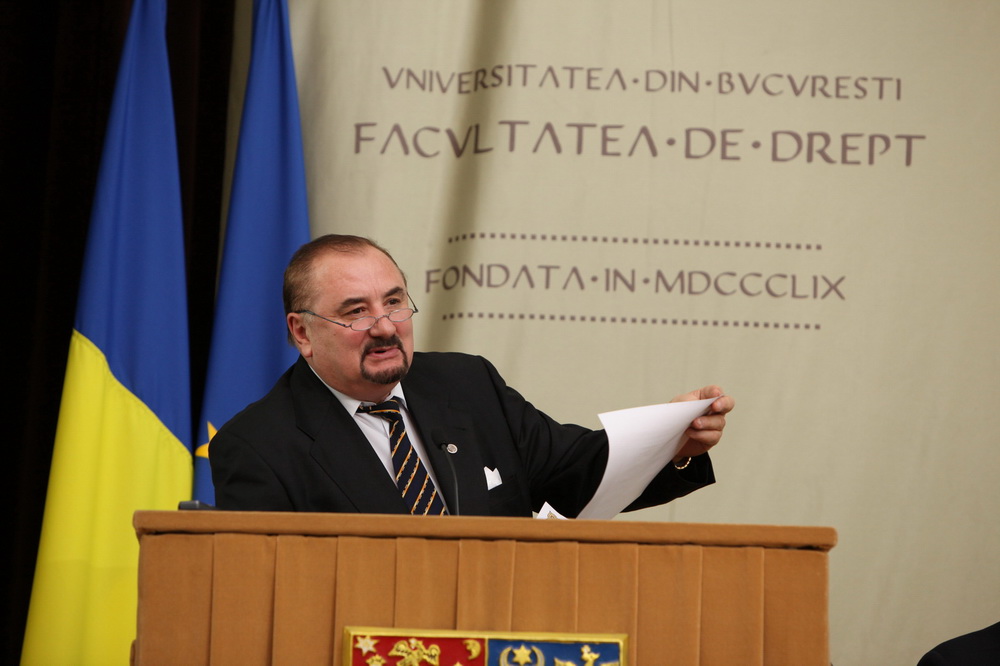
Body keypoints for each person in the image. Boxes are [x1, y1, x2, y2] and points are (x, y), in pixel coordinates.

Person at [209, 234, 735, 517]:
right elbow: (272, 591)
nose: (386, 326)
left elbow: (573, 471)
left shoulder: (466, 383)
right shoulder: (257, 446)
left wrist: (673, 440)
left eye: (394, 302)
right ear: (301, 332)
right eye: (356, 311)